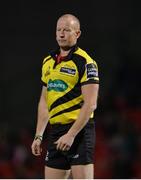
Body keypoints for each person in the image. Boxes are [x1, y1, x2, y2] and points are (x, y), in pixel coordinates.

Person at [31, 13, 99, 179]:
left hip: (80, 131)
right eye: (58, 30)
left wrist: (71, 134)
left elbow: (90, 104)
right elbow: (44, 101)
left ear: (77, 34)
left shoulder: (86, 62)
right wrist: (39, 135)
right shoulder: (48, 61)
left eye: (67, 30)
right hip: (56, 132)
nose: (61, 34)